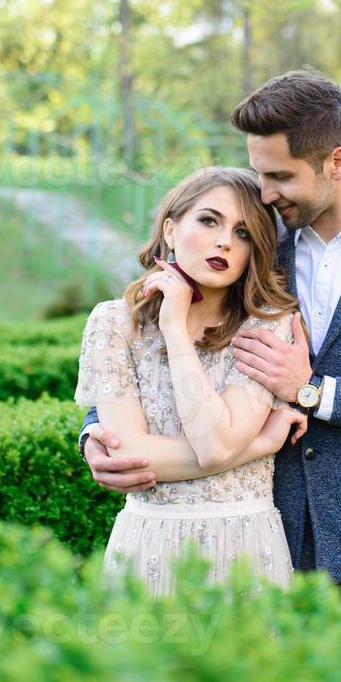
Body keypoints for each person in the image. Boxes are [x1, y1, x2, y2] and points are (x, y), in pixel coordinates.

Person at [80, 69, 341, 605]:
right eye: (259, 174)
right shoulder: (256, 250)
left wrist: (314, 391)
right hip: (259, 546)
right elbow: (161, 345)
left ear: (337, 163)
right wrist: (94, 430)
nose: (264, 194)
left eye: (281, 177)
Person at [73, 165, 309, 596]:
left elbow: (215, 444)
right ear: (170, 229)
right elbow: (128, 453)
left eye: (243, 233)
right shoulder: (112, 323)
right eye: (209, 220)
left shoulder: (268, 329)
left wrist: (176, 331)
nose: (224, 240)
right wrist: (257, 445)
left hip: (247, 550)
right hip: (147, 545)